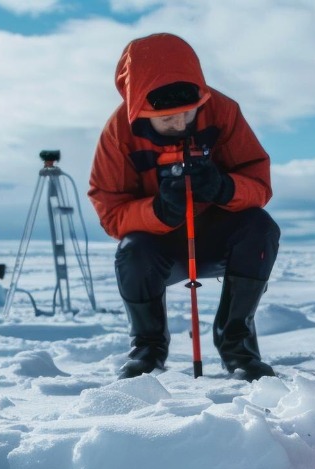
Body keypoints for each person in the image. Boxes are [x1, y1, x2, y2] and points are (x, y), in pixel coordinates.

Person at [89, 33, 280, 381]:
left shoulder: (223, 111)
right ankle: (148, 350)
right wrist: (159, 211)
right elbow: (110, 210)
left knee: (260, 227)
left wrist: (224, 187)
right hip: (160, 248)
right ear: (140, 108)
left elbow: (259, 181)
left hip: (219, 238)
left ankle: (238, 349)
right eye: (167, 120)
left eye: (188, 115)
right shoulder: (118, 133)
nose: (180, 125)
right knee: (132, 251)